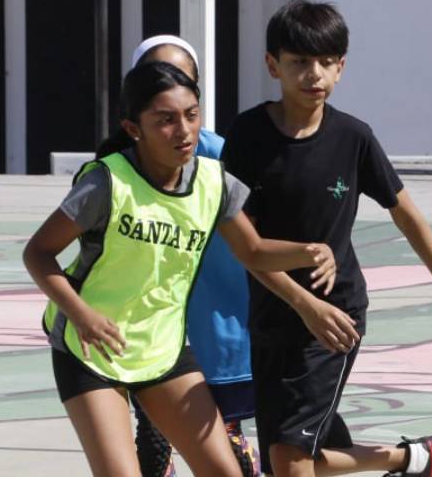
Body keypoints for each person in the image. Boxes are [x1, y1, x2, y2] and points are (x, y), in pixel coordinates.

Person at [23, 61, 337, 476]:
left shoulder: (213, 182)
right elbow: (38, 253)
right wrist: (82, 315)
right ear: (134, 128)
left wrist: (310, 251)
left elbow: (254, 251)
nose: (184, 131)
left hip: (163, 346)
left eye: (191, 115)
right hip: (91, 349)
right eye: (166, 120)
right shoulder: (106, 183)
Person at [220, 1, 432, 476]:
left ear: (341, 67)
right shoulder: (247, 135)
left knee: (289, 459)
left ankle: (416, 459)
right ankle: (415, 458)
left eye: (326, 62)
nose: (314, 74)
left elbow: (408, 217)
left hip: (335, 318)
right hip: (272, 313)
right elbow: (249, 246)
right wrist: (301, 302)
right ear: (272, 65)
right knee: (293, 456)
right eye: (299, 61)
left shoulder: (353, 138)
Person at [128, 34, 260, 477]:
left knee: (224, 443)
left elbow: (255, 242)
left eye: (182, 79)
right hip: (150, 328)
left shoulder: (221, 156)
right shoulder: (119, 164)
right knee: (153, 443)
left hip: (215, 324)